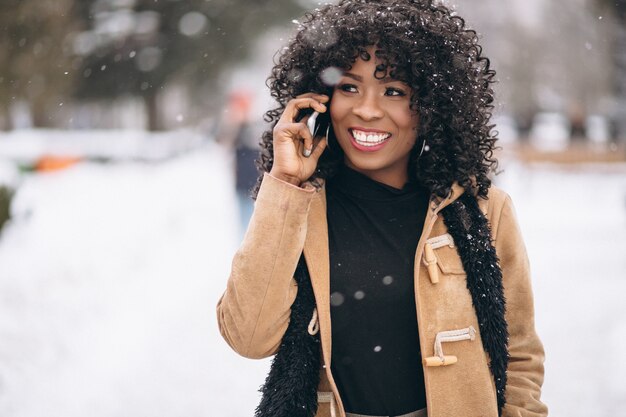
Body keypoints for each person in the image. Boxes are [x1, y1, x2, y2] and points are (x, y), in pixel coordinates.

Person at [217, 1, 548, 417]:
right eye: (349, 87)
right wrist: (285, 185)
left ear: (431, 106)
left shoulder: (482, 212)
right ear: (319, 98)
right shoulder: (299, 206)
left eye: (394, 91)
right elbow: (248, 338)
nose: (367, 109)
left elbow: (519, 357)